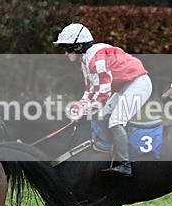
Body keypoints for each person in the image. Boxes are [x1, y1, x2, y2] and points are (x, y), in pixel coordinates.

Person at [54, 23, 152, 177]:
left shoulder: (97, 59)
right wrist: (77, 109)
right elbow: (89, 92)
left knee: (116, 121)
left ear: (79, 46)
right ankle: (111, 156)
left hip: (138, 83)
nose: (65, 53)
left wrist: (85, 112)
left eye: (67, 48)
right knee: (104, 117)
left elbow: (103, 95)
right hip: (124, 86)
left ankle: (124, 164)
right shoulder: (85, 62)